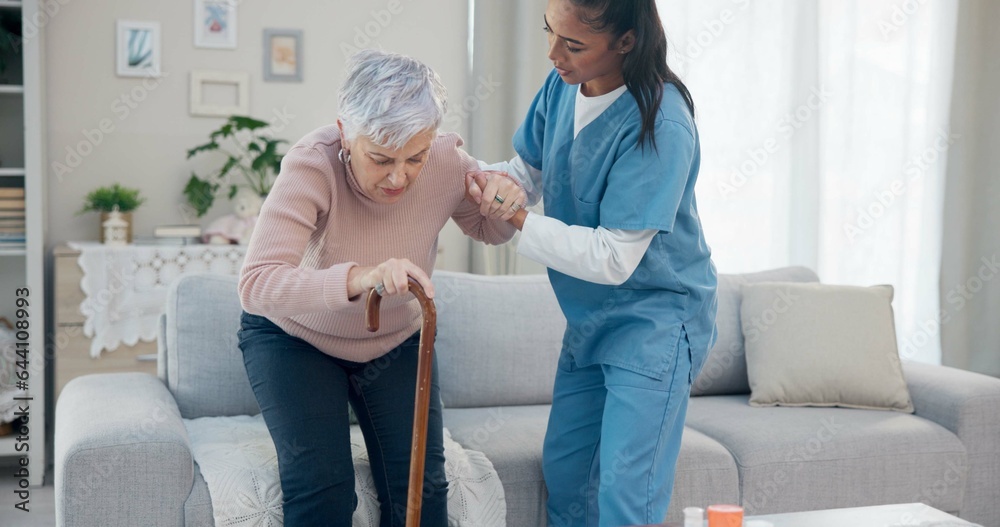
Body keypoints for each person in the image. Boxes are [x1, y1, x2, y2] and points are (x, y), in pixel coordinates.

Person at [237, 49, 525, 527]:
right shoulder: (312, 164)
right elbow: (257, 282)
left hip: (394, 342)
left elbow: (488, 228)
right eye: (381, 158)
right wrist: (361, 278)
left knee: (421, 493)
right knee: (323, 490)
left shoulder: (446, 160)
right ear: (345, 133)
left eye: (415, 158)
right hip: (294, 340)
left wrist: (503, 201)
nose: (399, 177)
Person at [468, 1, 718, 525]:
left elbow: (614, 256)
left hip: (655, 322)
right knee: (568, 475)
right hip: (589, 321)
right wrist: (488, 180)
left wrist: (516, 219)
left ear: (625, 42)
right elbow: (527, 171)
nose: (554, 54)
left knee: (626, 495)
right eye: (550, 34)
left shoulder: (663, 123)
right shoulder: (562, 84)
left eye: (574, 44)